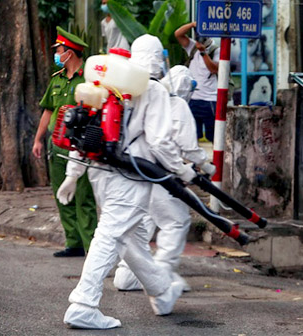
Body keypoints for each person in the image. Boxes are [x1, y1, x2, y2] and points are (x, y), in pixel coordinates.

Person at [58, 35, 197, 329]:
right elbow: (159, 142)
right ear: (159, 57)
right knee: (110, 234)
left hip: (100, 171)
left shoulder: (109, 81)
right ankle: (83, 304)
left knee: (130, 238)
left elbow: (82, 125)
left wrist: (73, 174)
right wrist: (181, 171)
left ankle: (161, 292)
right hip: (131, 176)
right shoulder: (153, 88)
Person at [114, 65, 216, 292]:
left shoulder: (145, 98)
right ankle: (161, 275)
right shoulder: (178, 105)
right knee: (176, 222)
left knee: (143, 224)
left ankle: (126, 274)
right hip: (164, 176)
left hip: (139, 174)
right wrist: (205, 164)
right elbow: (188, 148)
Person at [32, 27, 98, 258]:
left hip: (79, 148)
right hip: (56, 144)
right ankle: (74, 243)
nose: (57, 55)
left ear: (69, 53)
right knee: (61, 193)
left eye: (59, 50)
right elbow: (48, 111)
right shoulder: (57, 80)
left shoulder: (89, 80)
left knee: (83, 196)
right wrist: (39, 139)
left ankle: (92, 246)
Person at [175, 22, 220, 142]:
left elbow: (214, 69)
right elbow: (178, 34)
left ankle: (215, 160)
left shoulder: (216, 50)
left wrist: (203, 52)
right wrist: (193, 24)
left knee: (214, 136)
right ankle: (195, 159)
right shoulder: (192, 46)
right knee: (192, 136)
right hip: (193, 98)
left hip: (209, 99)